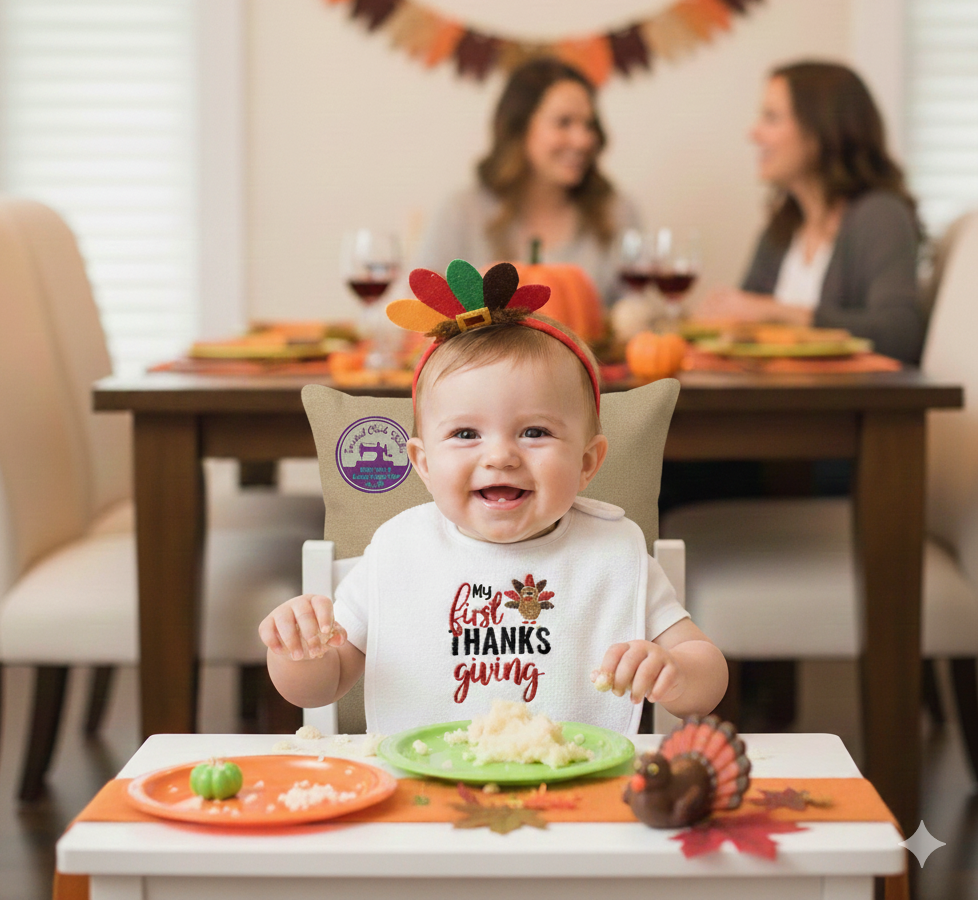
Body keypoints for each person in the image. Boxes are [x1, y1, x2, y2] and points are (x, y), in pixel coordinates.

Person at [260, 264, 727, 734]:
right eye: (466, 433)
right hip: (424, 789)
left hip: (578, 787)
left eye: (535, 432)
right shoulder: (398, 550)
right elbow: (321, 685)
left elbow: (706, 674)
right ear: (423, 463)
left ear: (587, 463)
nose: (501, 455)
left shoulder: (614, 552)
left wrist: (676, 672)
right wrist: (300, 653)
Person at [695, 61, 925, 364]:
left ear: (820, 130)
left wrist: (777, 312)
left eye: (772, 118)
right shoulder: (784, 226)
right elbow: (744, 325)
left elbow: (900, 335)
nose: (754, 133)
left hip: (836, 408)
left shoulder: (880, 215)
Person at [415, 58, 639, 306]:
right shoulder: (461, 212)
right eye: (564, 122)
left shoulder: (617, 211)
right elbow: (414, 304)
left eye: (589, 125)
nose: (583, 140)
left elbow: (642, 308)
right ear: (519, 128)